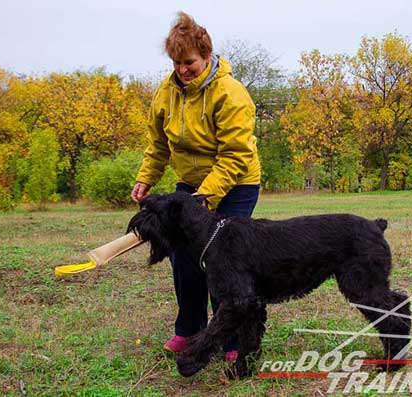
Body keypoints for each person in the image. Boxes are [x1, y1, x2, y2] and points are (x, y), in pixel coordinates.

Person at [131, 12, 261, 362]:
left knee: (223, 261)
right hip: (189, 185)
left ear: (207, 56)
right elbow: (158, 143)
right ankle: (189, 329)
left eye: (189, 62)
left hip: (235, 184)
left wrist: (204, 198)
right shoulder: (167, 91)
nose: (182, 70)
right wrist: (146, 177)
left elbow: (235, 155)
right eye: (176, 63)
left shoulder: (230, 93)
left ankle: (231, 338)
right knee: (183, 258)